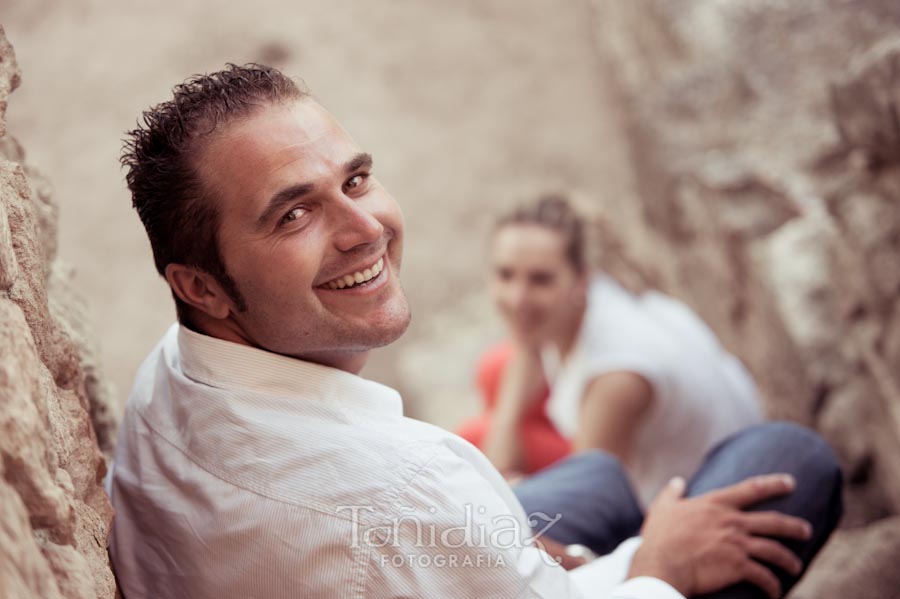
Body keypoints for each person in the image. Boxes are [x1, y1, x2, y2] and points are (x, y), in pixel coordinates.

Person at [109, 64, 841, 599]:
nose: (366, 230)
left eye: (356, 180)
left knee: (598, 475)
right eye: (293, 214)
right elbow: (398, 513)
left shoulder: (168, 370)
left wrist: (501, 554)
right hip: (383, 540)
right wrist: (660, 566)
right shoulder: (406, 490)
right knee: (789, 456)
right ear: (201, 284)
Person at [460, 195, 762, 506]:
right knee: (495, 372)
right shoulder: (590, 299)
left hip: (687, 491)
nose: (517, 298)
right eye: (505, 274)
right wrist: (507, 419)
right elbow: (520, 358)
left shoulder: (617, 377)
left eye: (541, 280)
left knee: (472, 437)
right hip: (673, 435)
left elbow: (584, 501)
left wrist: (506, 484)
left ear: (580, 279)